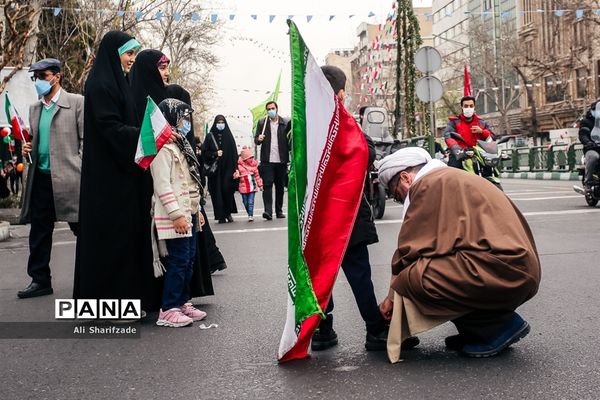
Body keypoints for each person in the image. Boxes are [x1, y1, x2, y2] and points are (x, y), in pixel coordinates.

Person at [377, 147, 541, 358]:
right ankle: (475, 331)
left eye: (393, 191)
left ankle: (497, 328)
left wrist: (391, 296)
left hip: (506, 270)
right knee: (442, 267)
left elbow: (409, 253)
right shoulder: (448, 177)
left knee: (417, 278)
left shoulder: (427, 185)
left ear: (405, 178)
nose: (396, 198)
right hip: (513, 267)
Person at [310, 65, 419, 352]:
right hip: (344, 216)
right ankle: (375, 330)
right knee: (358, 273)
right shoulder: (342, 122)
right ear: (341, 93)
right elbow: (367, 151)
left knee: (320, 274)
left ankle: (322, 329)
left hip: (315, 218)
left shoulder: (305, 124)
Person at [73, 31, 165, 312]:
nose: (131, 60)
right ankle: (111, 306)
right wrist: (146, 135)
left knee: (128, 241)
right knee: (112, 243)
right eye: (128, 54)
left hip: (124, 175)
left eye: (134, 54)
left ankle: (134, 300)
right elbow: (109, 127)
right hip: (107, 180)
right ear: (115, 54)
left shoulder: (118, 82)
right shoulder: (100, 85)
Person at [18, 58, 84, 299]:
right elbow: (35, 138)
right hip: (42, 178)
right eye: (36, 77)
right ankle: (39, 280)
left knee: (83, 230)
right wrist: (27, 148)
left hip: (70, 179)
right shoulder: (35, 109)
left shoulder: (77, 103)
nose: (38, 82)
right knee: (39, 233)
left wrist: (79, 164)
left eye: (43, 76)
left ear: (57, 76)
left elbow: (87, 140)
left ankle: (93, 276)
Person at [152, 98, 208, 327]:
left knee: (189, 259)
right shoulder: (162, 148)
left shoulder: (181, 144)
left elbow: (191, 181)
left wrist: (198, 210)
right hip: (175, 216)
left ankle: (183, 301)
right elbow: (163, 184)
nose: (186, 122)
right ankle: (169, 308)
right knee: (178, 260)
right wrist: (176, 214)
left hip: (190, 212)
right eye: (183, 117)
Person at [166, 83, 228, 274]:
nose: (187, 122)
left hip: (192, 198)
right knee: (181, 257)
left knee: (188, 255)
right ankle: (173, 301)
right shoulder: (167, 146)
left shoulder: (183, 139)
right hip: (176, 204)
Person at [254, 101, 290, 220]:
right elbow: (256, 141)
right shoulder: (262, 123)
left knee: (280, 187)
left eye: (273, 108)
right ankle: (268, 211)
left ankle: (279, 210)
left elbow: (290, 140)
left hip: (281, 160)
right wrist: (259, 139)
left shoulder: (285, 123)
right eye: (269, 109)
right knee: (267, 185)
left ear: (277, 108)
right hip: (267, 161)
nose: (271, 111)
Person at [202, 115, 238, 223]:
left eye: (222, 122)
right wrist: (214, 154)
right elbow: (204, 153)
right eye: (219, 122)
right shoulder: (210, 136)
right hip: (215, 171)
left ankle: (228, 213)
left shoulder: (229, 136)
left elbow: (234, 154)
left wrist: (236, 168)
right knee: (217, 193)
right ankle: (220, 216)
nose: (221, 124)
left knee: (227, 190)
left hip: (228, 169)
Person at [443, 96, 494, 169]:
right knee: (454, 172)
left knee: (490, 169)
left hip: (479, 155)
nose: (468, 108)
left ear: (474, 107)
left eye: (471, 106)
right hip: (460, 154)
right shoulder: (454, 122)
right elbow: (448, 136)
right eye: (466, 106)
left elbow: (492, 137)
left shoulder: (482, 122)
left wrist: (482, 132)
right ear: (462, 107)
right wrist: (456, 148)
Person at [129, 49, 169, 121]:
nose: (167, 73)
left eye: (167, 68)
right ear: (149, 71)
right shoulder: (126, 101)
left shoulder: (170, 98)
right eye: (162, 68)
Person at [233, 146, 263, 221]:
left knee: (250, 202)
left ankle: (250, 214)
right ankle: (249, 212)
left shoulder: (254, 166)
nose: (251, 159)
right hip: (243, 188)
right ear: (245, 159)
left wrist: (260, 185)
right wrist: (236, 175)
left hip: (252, 187)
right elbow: (236, 174)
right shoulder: (239, 167)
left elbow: (257, 177)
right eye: (250, 158)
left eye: (252, 157)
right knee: (245, 202)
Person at [578, 101, 600, 193]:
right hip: (592, 148)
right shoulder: (586, 122)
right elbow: (583, 134)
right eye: (596, 110)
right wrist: (588, 142)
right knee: (593, 157)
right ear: (592, 111)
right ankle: (588, 183)